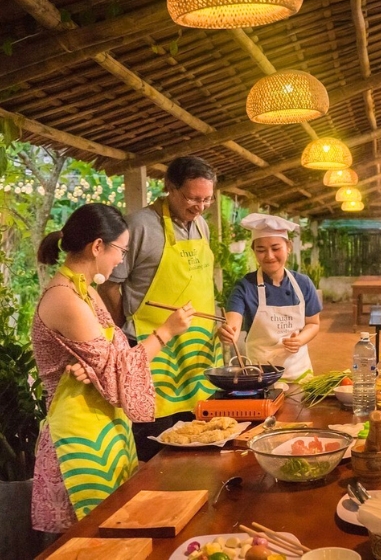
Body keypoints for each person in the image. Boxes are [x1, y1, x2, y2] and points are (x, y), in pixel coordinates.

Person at [32, 204, 193, 535]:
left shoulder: (85, 290)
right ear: (97, 247)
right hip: (77, 441)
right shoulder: (66, 299)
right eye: (120, 249)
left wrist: (93, 368)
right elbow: (117, 366)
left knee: (120, 534)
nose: (121, 259)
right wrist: (166, 332)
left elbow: (109, 357)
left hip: (102, 427)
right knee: (96, 541)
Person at [98, 156, 219, 461]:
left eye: (207, 200)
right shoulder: (138, 225)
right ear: (169, 188)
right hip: (153, 350)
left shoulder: (201, 225)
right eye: (192, 198)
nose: (200, 207)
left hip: (194, 353)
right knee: (158, 451)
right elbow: (110, 284)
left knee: (199, 443)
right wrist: (123, 329)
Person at [217, 214, 321, 382]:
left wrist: (300, 340)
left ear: (288, 247)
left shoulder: (303, 284)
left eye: (275, 248)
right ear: (253, 251)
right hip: (261, 377)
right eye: (261, 250)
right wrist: (229, 332)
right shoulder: (245, 286)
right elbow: (233, 322)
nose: (269, 256)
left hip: (300, 375)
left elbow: (313, 323)